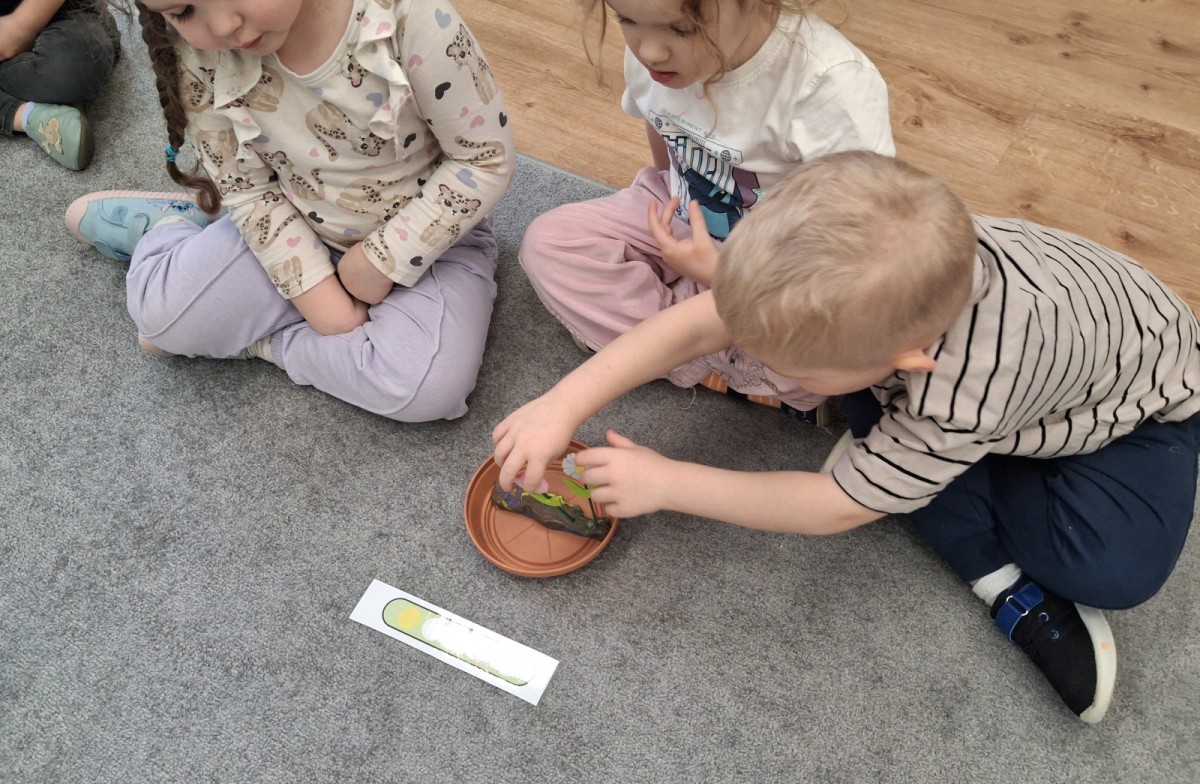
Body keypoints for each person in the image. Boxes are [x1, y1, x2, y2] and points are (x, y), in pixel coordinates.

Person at [493, 151, 1200, 724]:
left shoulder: (963, 389)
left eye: (783, 362)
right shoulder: (889, 273)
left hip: (1134, 420)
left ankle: (977, 551)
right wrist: (562, 403)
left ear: (908, 358)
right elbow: (704, 322)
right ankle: (906, 469)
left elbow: (834, 507)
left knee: (1113, 573)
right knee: (870, 428)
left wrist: (669, 482)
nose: (758, 364)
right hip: (1007, 378)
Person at [66, 0, 513, 422]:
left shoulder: (408, 17)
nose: (223, 26)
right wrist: (323, 305)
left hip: (435, 238)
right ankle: (175, 226)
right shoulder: (198, 52)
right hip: (289, 218)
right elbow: (248, 190)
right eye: (183, 11)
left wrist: (381, 262)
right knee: (159, 321)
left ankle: (257, 339)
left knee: (428, 388)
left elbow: (485, 160)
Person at [519, 0, 893, 421]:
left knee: (848, 334)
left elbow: (857, 248)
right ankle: (727, 364)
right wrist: (670, 205)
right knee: (549, 243)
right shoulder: (655, 55)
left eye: (681, 29)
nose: (650, 52)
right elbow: (661, 125)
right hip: (680, 209)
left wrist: (724, 276)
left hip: (779, 264)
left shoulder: (828, 83)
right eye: (627, 20)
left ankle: (678, 344)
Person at [0, 0, 120, 170]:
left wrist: (20, 27)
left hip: (64, 13)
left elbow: (13, 35)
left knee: (79, 59)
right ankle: (25, 115)